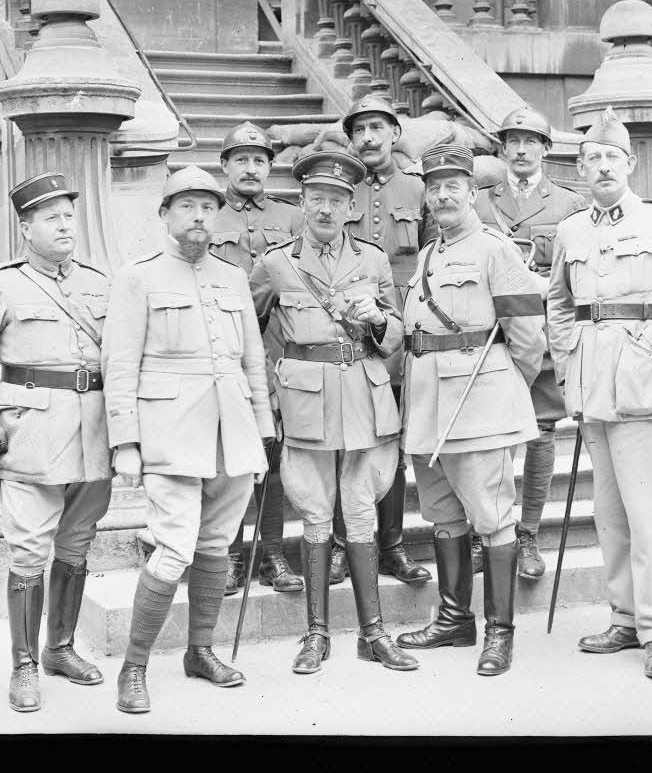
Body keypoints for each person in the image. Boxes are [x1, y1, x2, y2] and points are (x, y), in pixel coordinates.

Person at [102, 165, 276, 714]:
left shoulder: (231, 276)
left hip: (233, 434)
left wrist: (263, 430)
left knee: (215, 546)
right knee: (174, 547)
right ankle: (134, 666)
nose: (199, 216)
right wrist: (125, 442)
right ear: (165, 215)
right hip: (170, 435)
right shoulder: (138, 277)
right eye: (186, 207)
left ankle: (200, 651)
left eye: (207, 207)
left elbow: (251, 360)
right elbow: (120, 365)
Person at [546, 107, 652, 681]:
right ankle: (622, 617)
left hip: (649, 386)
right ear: (580, 167)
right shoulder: (569, 231)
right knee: (610, 514)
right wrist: (569, 361)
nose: (601, 166)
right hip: (594, 386)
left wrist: (650, 348)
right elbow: (559, 304)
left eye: (612, 157)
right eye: (591, 158)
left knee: (650, 516)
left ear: (631, 164)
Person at [0, 172, 112, 713]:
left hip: (95, 433)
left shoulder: (99, 281)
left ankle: (59, 649)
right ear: (25, 229)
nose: (64, 225)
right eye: (50, 218)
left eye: (68, 216)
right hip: (32, 435)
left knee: (77, 542)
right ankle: (24, 664)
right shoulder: (3, 284)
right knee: (30, 548)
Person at [249, 149, 419, 675]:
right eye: (316, 199)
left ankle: (374, 634)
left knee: (363, 510)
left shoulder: (370, 259)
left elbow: (395, 337)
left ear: (351, 206)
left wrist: (376, 321)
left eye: (337, 201)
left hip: (365, 396)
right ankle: (316, 634)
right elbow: (247, 335)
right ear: (302, 202)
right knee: (317, 514)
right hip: (306, 402)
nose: (326, 210)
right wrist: (265, 392)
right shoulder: (275, 264)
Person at [394, 140, 547, 676]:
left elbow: (527, 337)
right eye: (434, 189)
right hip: (429, 407)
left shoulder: (495, 250)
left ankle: (499, 633)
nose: (442, 197)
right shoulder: (428, 255)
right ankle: (455, 620)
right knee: (442, 515)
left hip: (477, 404)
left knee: (491, 516)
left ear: (472, 193)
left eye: (453, 187)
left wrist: (504, 388)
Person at [474, 106, 587, 580]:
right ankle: (490, 532)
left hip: (540, 333)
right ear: (501, 148)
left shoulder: (568, 205)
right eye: (513, 140)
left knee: (541, 435)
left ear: (546, 148)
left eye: (531, 141)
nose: (521, 149)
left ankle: (528, 534)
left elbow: (578, 275)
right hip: (489, 334)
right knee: (488, 437)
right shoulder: (478, 202)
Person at [333, 93, 431, 586]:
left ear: (395, 134)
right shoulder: (340, 188)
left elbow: (434, 259)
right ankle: (339, 544)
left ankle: (391, 545)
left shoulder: (419, 190)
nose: (368, 138)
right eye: (359, 130)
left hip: (400, 335)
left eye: (377, 128)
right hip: (346, 332)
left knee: (391, 441)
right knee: (345, 436)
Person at [211, 121, 305, 596]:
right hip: (221, 349)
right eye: (241, 159)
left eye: (260, 161)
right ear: (224, 165)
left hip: (277, 349)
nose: (251, 169)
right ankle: (229, 555)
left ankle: (272, 554)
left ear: (271, 167)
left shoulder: (293, 218)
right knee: (229, 457)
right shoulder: (206, 215)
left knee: (272, 454)